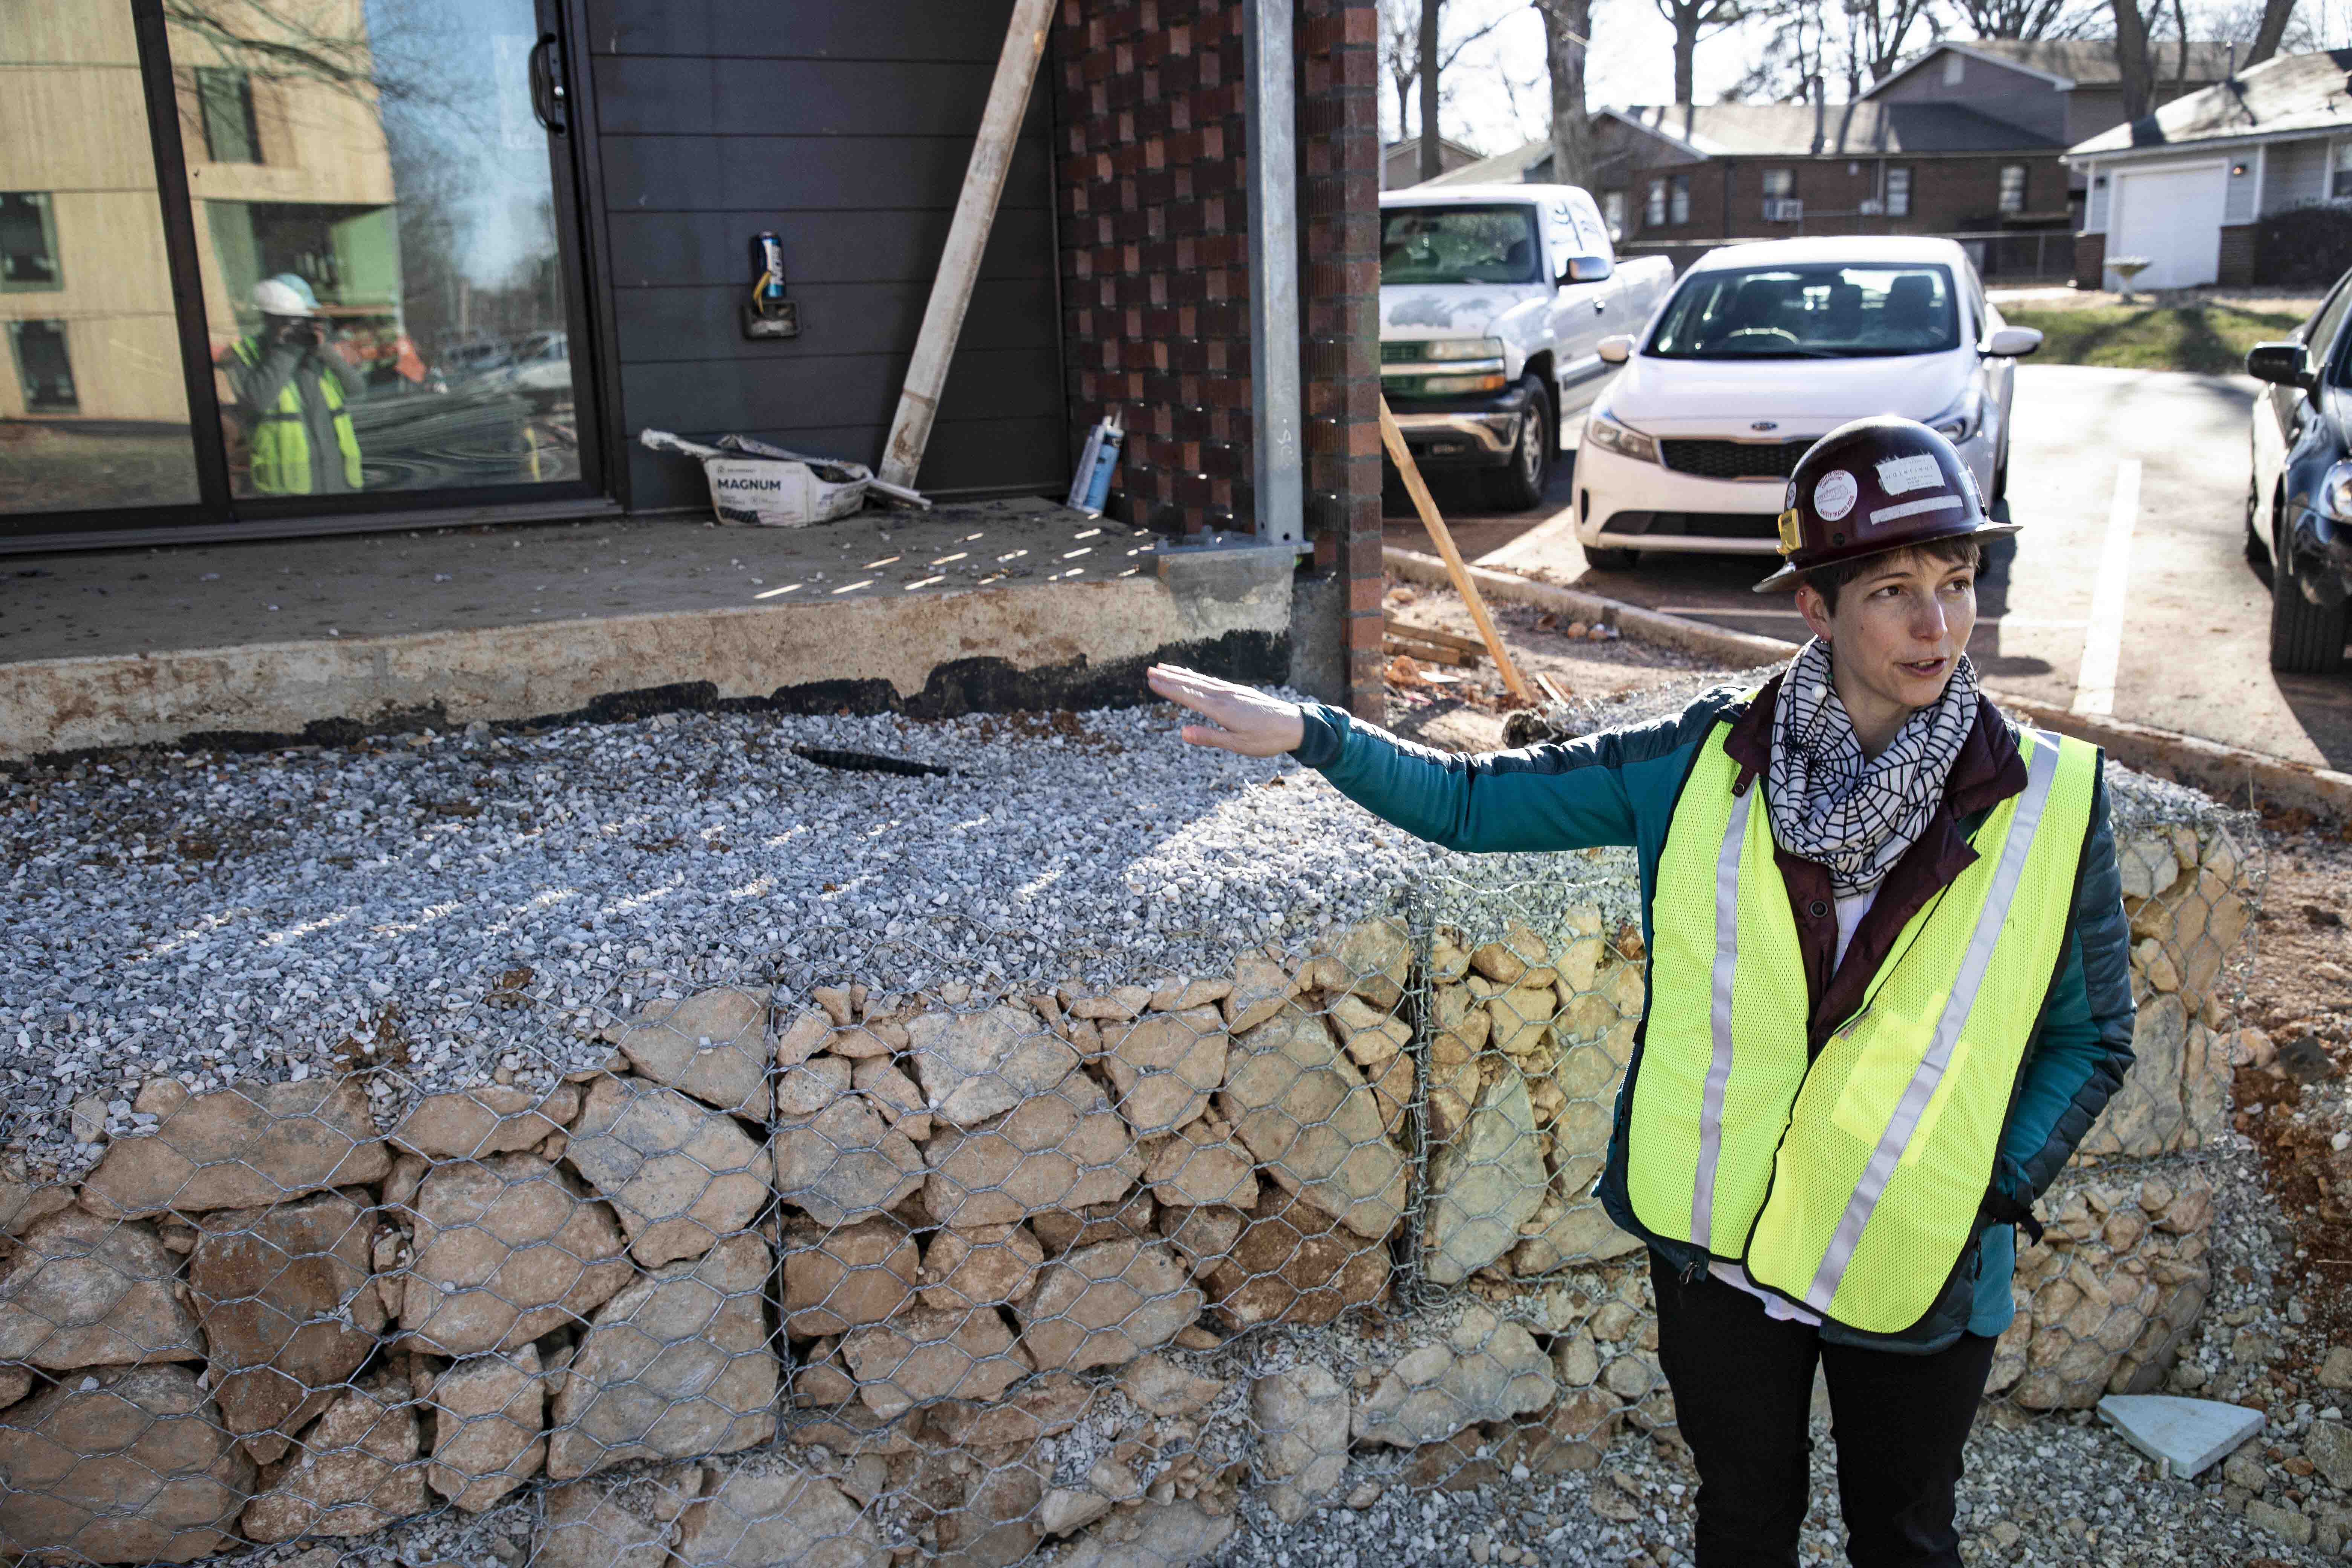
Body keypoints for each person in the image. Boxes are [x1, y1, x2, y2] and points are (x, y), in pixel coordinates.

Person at [1145, 416, 2133, 1568]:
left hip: (1919, 1255)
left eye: (1957, 582)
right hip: (1718, 1255)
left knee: (1905, 1540)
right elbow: (1471, 803)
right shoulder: (1697, 760)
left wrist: (1985, 1185)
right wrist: (1315, 733)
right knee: (1742, 1520)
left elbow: (2090, 1036)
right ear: (1816, 608)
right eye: (1892, 589)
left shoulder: (2048, 801)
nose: (1937, 624)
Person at [217, 273, 364, 496]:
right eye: (299, 320)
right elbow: (257, 402)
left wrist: (326, 352)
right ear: (274, 320)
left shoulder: (320, 353)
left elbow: (357, 390)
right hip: (287, 495)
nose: (305, 326)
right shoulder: (247, 353)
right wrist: (287, 350)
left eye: (309, 319)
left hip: (339, 486)